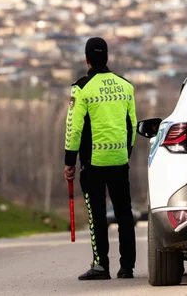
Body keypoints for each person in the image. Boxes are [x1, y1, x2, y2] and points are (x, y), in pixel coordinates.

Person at [64, 37, 137, 281]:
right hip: (119, 159)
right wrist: (127, 152)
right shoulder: (125, 86)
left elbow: (73, 129)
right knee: (124, 213)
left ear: (87, 59)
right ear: (106, 57)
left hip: (92, 162)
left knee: (97, 215)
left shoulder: (82, 87)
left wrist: (69, 161)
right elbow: (132, 125)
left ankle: (100, 265)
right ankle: (127, 267)